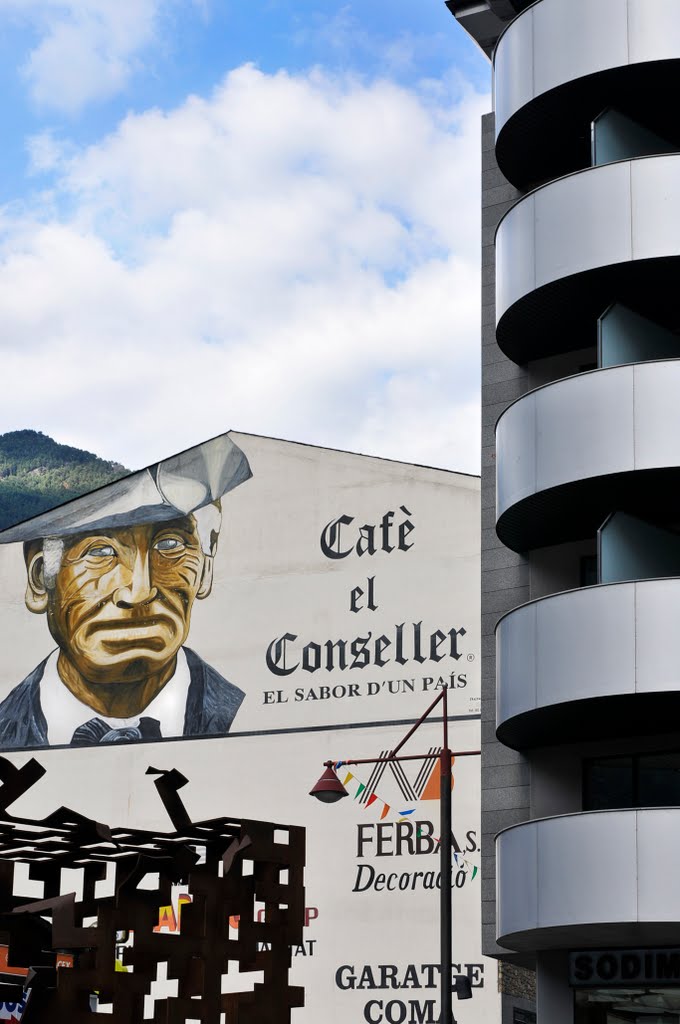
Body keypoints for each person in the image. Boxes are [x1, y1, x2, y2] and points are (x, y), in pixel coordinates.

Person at [0, 434, 252, 748]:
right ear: (40, 579)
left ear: (205, 570)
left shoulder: (250, 718)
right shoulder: (7, 728)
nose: (139, 591)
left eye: (170, 545)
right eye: (100, 553)